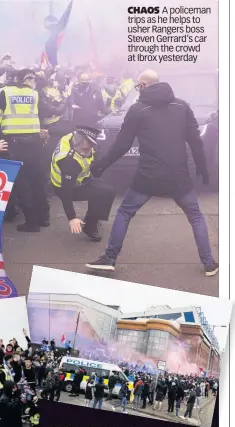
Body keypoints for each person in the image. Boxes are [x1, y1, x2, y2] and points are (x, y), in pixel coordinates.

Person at [87, 69, 219, 277]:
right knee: (195, 216)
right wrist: (202, 169)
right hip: (178, 176)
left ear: (145, 86)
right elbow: (195, 142)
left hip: (147, 176)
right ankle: (209, 263)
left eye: (139, 86)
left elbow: (121, 145)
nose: (137, 90)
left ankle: (110, 258)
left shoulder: (137, 110)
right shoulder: (182, 107)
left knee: (124, 212)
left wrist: (101, 165)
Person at [0, 68, 50, 232]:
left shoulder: (5, 92)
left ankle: (31, 222)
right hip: (34, 142)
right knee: (38, 179)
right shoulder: (35, 94)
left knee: (23, 182)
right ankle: (44, 218)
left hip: (15, 143)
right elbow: (45, 113)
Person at [51, 126, 116, 241]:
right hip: (65, 187)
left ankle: (93, 218)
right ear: (78, 142)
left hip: (81, 180)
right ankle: (90, 227)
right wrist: (72, 217)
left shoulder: (71, 137)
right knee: (102, 193)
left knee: (106, 190)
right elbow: (66, 192)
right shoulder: (69, 162)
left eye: (91, 146)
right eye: (86, 148)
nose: (88, 151)